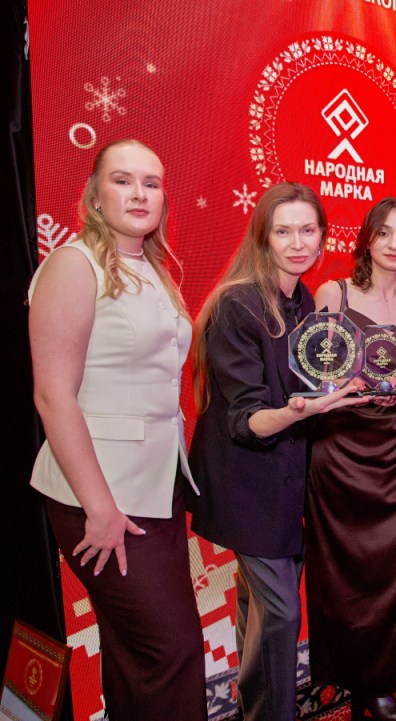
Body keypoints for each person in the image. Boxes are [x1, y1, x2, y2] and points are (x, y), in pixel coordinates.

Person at [27, 139, 206, 720]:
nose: (139, 194)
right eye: (123, 180)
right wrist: (99, 506)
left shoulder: (151, 267)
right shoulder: (71, 264)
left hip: (155, 487)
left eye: (151, 183)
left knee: (136, 655)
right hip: (100, 495)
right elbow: (53, 396)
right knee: (171, 653)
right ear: (95, 195)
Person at [188, 182, 366, 721]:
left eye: (307, 230)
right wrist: (303, 410)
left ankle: (255, 709)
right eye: (283, 231)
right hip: (246, 485)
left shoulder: (302, 301)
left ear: (323, 237)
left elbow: (305, 386)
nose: (297, 242)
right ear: (262, 237)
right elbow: (245, 420)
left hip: (287, 480)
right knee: (284, 613)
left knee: (260, 607)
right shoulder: (238, 304)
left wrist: (333, 394)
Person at [305, 198, 396, 721]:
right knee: (353, 582)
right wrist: (348, 385)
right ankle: (370, 688)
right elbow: (314, 372)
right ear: (367, 239)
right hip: (340, 452)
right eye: (385, 233)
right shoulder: (334, 293)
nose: (395, 243)